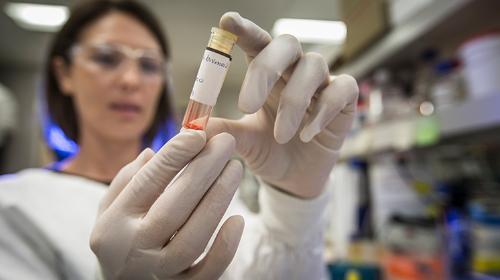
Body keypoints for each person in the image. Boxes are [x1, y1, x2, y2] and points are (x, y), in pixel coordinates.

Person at [0, 0, 358, 279]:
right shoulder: (15, 204)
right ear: (63, 74)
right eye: (107, 58)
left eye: (148, 65)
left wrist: (297, 200)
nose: (130, 80)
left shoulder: (200, 188)